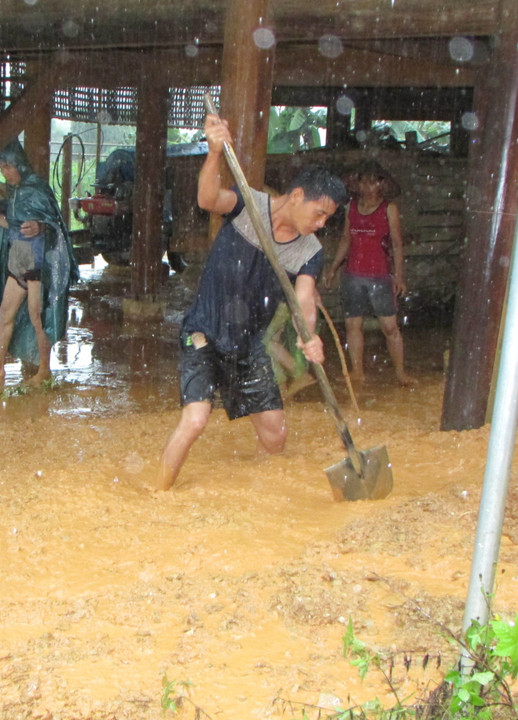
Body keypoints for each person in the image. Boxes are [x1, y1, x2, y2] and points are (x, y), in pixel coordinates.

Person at [157, 113, 347, 491]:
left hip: (248, 345)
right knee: (195, 420)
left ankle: (253, 494)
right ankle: (156, 493)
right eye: (320, 212)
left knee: (275, 436)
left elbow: (304, 299)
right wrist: (213, 153)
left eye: (329, 217)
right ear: (296, 196)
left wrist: (309, 335)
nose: (322, 223)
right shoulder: (249, 205)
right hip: (205, 333)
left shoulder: (310, 251)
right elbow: (208, 198)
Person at [0, 140, 78, 386]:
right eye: (2, 169)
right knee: (6, 313)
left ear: (20, 166)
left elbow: (54, 225)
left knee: (37, 318)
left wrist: (41, 226)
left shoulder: (37, 189)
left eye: (8, 168)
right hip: (19, 257)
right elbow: (12, 225)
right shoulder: (14, 190)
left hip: (36, 262)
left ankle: (45, 371)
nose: (5, 173)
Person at [323, 161, 414, 386]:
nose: (368, 186)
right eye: (364, 181)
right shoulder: (351, 207)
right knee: (354, 325)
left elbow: (397, 244)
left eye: (373, 182)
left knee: (390, 327)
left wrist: (399, 276)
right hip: (353, 274)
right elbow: (346, 238)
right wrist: (334, 267)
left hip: (380, 276)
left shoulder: (388, 209)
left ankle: (400, 373)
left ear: (381, 185)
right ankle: (357, 372)